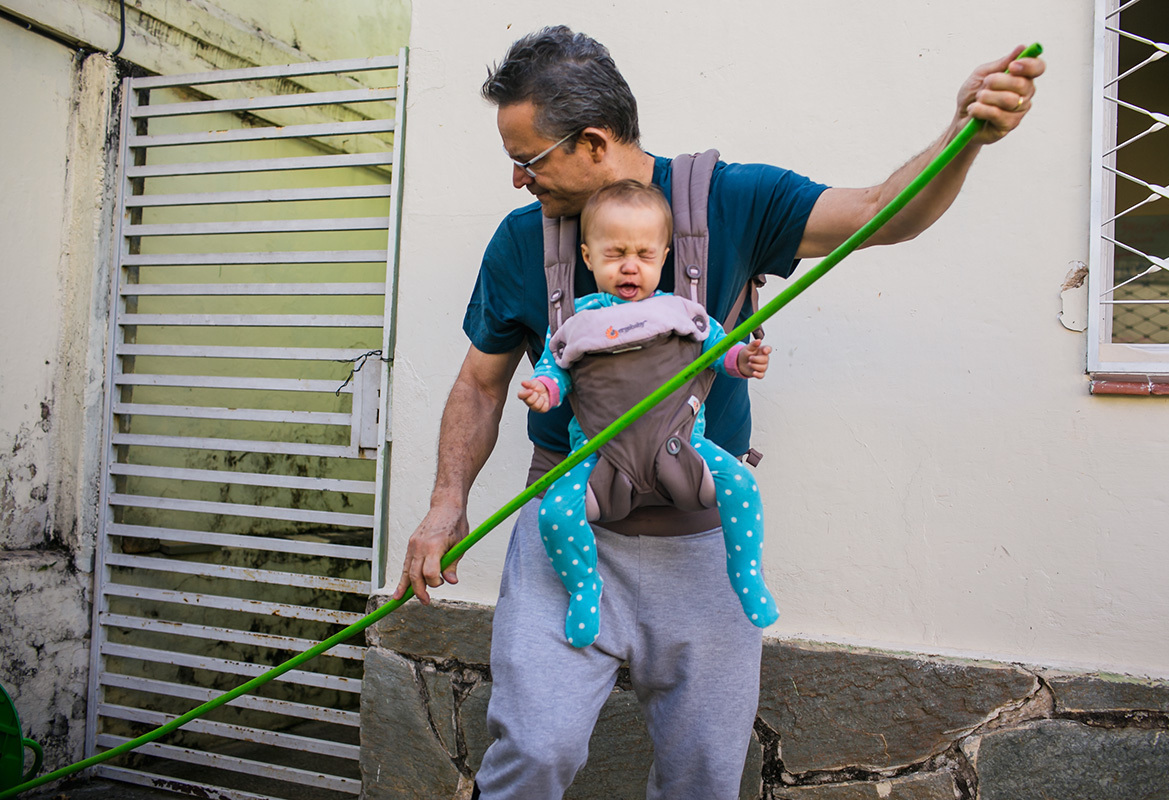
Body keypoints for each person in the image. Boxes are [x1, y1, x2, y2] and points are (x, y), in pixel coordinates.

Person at [394, 25, 1045, 800]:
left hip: (700, 544)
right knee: (533, 752)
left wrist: (964, 134)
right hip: (569, 525)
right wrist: (444, 506)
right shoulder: (517, 243)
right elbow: (479, 384)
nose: (516, 180)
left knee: (703, 777)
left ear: (593, 142)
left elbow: (882, 211)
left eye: (528, 160)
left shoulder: (735, 200)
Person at [519, 179, 779, 649]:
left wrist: (745, 360)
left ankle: (746, 575)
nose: (629, 266)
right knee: (555, 512)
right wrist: (543, 392)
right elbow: (553, 373)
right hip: (602, 459)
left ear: (664, 257)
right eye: (615, 253)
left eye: (644, 253)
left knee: (740, 485)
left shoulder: (682, 312)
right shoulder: (576, 324)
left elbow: (722, 353)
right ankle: (584, 588)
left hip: (682, 450)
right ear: (587, 257)